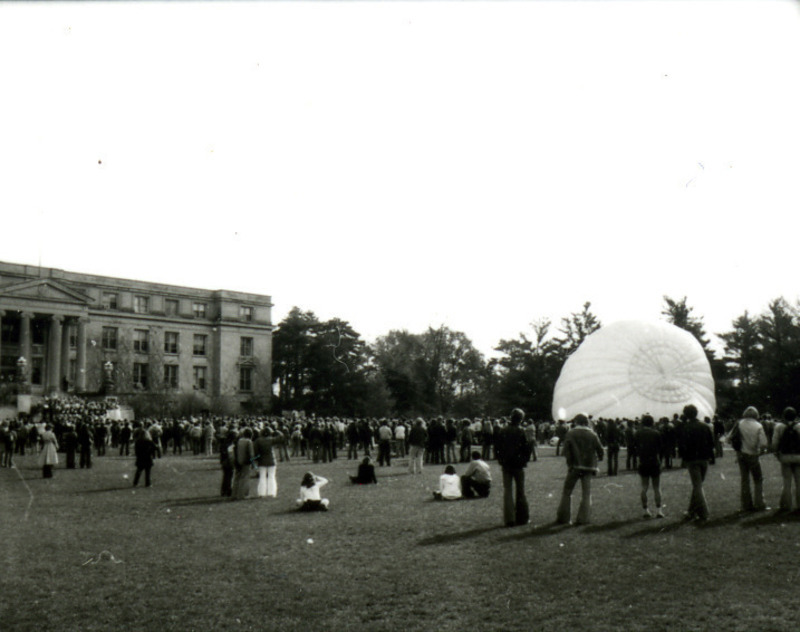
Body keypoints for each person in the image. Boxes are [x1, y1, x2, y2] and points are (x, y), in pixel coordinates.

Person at [556, 414, 604, 525]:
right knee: (586, 493)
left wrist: (570, 464)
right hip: (589, 466)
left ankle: (564, 518)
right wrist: (598, 459)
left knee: (567, 492)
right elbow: (601, 450)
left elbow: (566, 451)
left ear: (576, 422)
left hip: (575, 466)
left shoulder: (571, 433)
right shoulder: (592, 434)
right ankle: (584, 518)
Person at [677, 404, 715, 523]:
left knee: (697, 486)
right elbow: (711, 443)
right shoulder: (704, 426)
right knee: (697, 486)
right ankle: (691, 511)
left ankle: (704, 513)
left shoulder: (685, 427)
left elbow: (682, 445)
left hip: (692, 459)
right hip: (704, 459)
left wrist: (683, 459)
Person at [495, 408, 531, 527]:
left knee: (508, 491)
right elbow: (526, 448)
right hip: (518, 464)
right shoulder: (521, 431)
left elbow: (497, 447)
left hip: (506, 464)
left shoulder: (503, 430)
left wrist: (500, 460)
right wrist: (524, 460)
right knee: (520, 491)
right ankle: (522, 517)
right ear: (520, 419)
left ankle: (509, 518)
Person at [730, 406, 768, 512]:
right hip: (753, 454)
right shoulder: (758, 425)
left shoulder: (739, 424)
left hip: (741, 454)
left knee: (745, 479)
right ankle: (759, 503)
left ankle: (746, 504)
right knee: (758, 479)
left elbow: (729, 438)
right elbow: (764, 443)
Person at [634, 414, 664, 518]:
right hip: (654, 461)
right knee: (657, 487)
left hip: (643, 462)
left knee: (644, 487)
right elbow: (660, 448)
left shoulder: (638, 433)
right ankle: (659, 510)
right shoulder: (656, 433)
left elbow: (635, 447)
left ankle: (645, 510)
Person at [771, 407, 800, 513]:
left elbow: (775, 443)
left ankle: (786, 505)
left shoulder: (779, 426)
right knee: (799, 482)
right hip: (798, 456)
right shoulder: (799, 426)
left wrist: (777, 454)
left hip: (785, 456)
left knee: (787, 482)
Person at [253, 427, 277, 498]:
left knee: (262, 477)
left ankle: (261, 493)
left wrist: (257, 459)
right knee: (271, 477)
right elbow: (281, 437)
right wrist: (276, 431)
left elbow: (256, 452)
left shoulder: (258, 441)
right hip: (271, 460)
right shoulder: (271, 440)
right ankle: (271, 493)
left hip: (262, 461)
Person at [233, 428, 254, 500]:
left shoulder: (239, 440)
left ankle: (234, 494)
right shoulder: (249, 442)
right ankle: (243, 494)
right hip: (246, 461)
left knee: (237, 478)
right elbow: (251, 454)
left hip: (238, 461)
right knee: (245, 478)